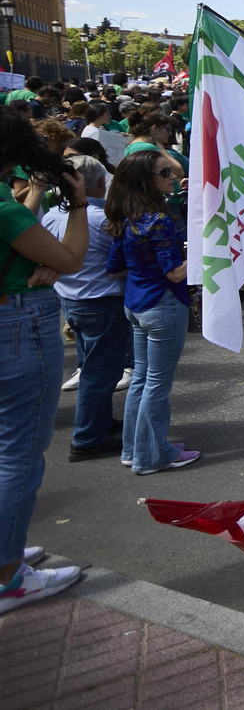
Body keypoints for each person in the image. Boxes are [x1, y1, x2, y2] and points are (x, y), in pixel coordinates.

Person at [0, 110, 90, 614]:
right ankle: (9, 576)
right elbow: (70, 259)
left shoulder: (9, 208)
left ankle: (6, 551)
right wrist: (76, 203)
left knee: (6, 451)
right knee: (18, 456)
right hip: (19, 327)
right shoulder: (6, 211)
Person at [106, 150, 197, 475]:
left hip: (136, 303)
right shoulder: (156, 220)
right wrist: (202, 256)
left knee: (143, 381)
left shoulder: (126, 215)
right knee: (156, 385)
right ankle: (152, 455)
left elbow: (115, 269)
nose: (172, 176)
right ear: (147, 180)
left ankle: (137, 449)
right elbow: (174, 273)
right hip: (162, 305)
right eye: (165, 173)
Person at [43, 156, 131, 462]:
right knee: (100, 373)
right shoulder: (100, 219)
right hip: (100, 302)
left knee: (95, 368)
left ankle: (99, 423)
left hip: (73, 299)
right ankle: (88, 437)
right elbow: (121, 262)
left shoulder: (53, 214)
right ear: (100, 183)